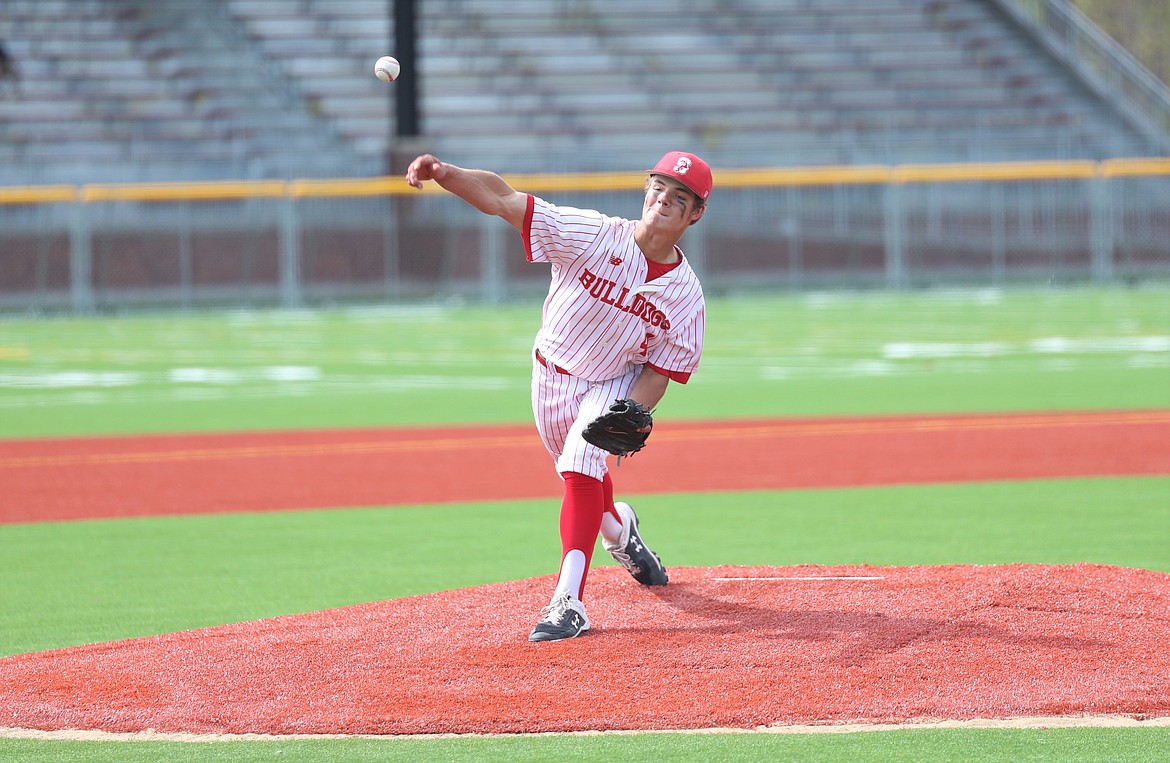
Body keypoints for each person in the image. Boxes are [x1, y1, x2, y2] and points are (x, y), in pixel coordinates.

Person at [405, 150, 711, 642]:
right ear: (646, 189)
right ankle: (621, 531)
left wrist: (633, 409)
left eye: (681, 198)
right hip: (549, 377)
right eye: (659, 188)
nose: (665, 201)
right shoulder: (591, 233)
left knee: (580, 466)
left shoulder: (686, 296)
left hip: (612, 382)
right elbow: (504, 199)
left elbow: (660, 370)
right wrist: (445, 174)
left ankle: (568, 601)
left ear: (696, 213)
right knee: (581, 478)